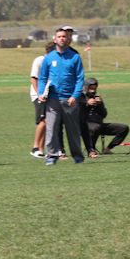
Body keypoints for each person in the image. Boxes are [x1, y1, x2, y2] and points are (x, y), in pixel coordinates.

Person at [37, 25, 86, 165]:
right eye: (59, 37)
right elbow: (42, 78)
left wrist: (75, 96)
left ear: (68, 39)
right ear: (55, 39)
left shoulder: (75, 57)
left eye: (64, 36)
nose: (62, 39)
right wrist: (41, 93)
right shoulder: (49, 58)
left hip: (69, 99)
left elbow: (80, 78)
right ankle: (52, 155)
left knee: (73, 130)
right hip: (53, 100)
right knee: (51, 129)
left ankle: (77, 156)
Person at [82, 77, 129, 155]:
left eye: (94, 88)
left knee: (123, 128)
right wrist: (87, 104)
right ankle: (91, 149)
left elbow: (104, 114)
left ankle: (108, 149)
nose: (93, 90)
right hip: (84, 125)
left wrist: (99, 104)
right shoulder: (80, 97)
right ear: (86, 87)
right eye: (91, 88)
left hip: (99, 125)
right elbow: (77, 113)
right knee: (96, 127)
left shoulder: (97, 97)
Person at [29, 41, 53, 158]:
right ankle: (35, 147)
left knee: (48, 122)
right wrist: (39, 94)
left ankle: (41, 150)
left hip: (50, 95)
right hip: (39, 95)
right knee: (43, 120)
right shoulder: (40, 60)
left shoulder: (54, 62)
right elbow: (33, 79)